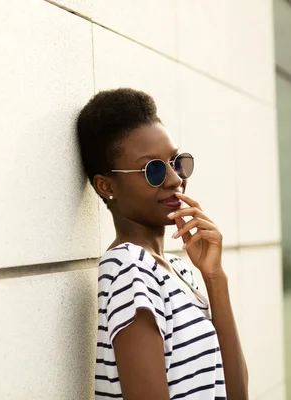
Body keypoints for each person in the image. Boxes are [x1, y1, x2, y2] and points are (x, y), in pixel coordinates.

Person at [76, 88, 248, 399]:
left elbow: (235, 394)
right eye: (153, 169)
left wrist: (215, 278)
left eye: (175, 161)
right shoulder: (129, 268)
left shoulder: (178, 269)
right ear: (107, 186)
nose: (175, 179)